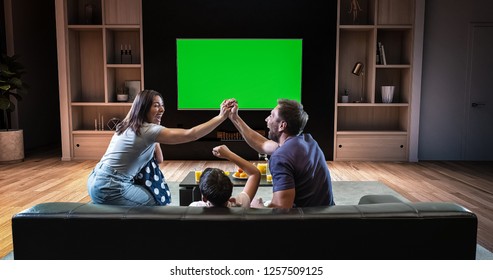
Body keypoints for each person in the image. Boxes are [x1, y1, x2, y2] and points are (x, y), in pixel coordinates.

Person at [87, 89, 236, 206]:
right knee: (157, 202)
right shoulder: (147, 131)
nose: (162, 109)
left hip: (96, 180)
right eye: (156, 105)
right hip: (111, 187)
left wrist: (155, 131)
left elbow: (159, 159)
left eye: (162, 105)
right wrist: (221, 117)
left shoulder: (127, 125)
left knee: (153, 194)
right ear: (143, 108)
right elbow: (191, 135)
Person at [228, 98, 335, 208]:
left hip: (307, 222)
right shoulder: (308, 141)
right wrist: (235, 117)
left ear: (282, 125)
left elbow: (281, 211)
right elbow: (261, 144)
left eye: (272, 116)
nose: (266, 119)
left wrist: (257, 207)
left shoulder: (280, 157)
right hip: (326, 215)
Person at [189, 145, 262, 208]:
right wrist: (229, 155)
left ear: (204, 198)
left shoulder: (194, 208)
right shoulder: (241, 205)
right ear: (230, 196)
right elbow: (255, 173)